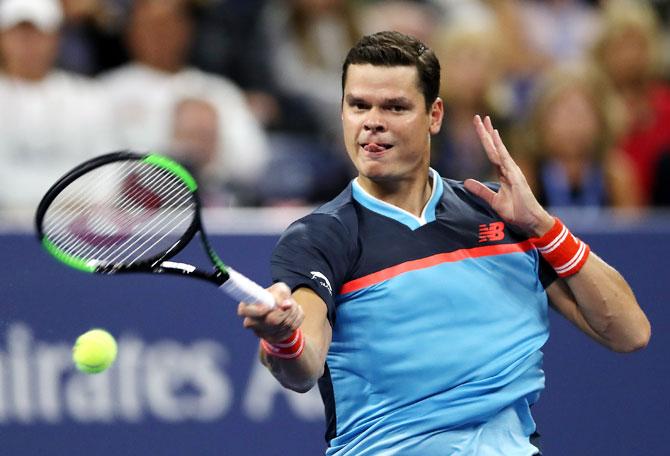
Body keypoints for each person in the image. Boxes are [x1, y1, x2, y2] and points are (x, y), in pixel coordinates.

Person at [237, 31, 651, 455]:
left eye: (395, 107)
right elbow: (303, 367)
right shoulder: (321, 235)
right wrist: (283, 338)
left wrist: (545, 228)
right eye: (358, 105)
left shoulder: (501, 213)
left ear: (434, 115)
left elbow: (629, 332)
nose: (371, 121)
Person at [0, 0, 111, 213]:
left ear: (56, 37)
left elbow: (109, 169)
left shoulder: (90, 96)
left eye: (38, 33)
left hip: (78, 229)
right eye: (18, 33)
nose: (27, 43)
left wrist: (76, 207)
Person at [515, 62, 640, 209]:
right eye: (563, 114)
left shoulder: (615, 175)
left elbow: (630, 230)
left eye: (582, 114)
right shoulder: (522, 175)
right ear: (541, 120)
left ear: (601, 120)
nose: (573, 125)